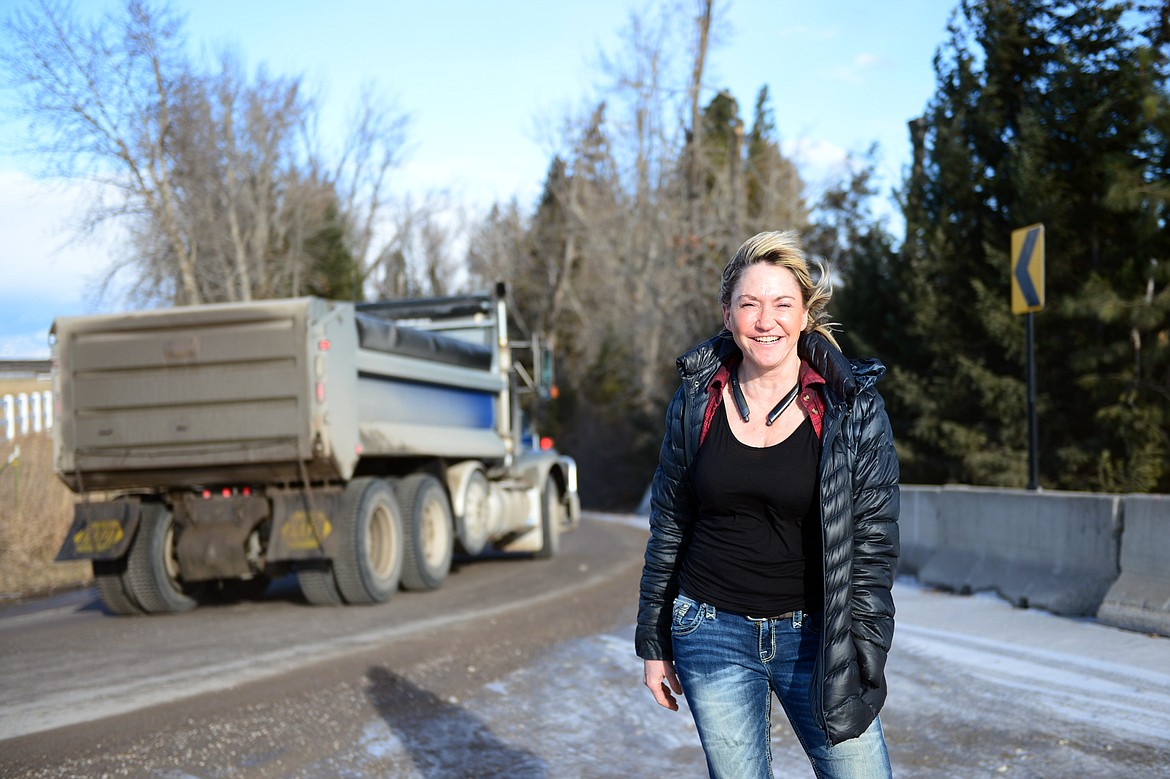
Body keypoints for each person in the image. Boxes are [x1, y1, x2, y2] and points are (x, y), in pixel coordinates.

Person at [636, 230, 899, 779]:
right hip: (710, 629)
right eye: (749, 304)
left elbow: (874, 540)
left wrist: (867, 649)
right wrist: (653, 640)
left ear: (805, 315)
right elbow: (669, 524)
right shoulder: (696, 399)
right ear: (727, 314)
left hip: (817, 635)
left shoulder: (850, 406)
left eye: (782, 304)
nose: (766, 320)